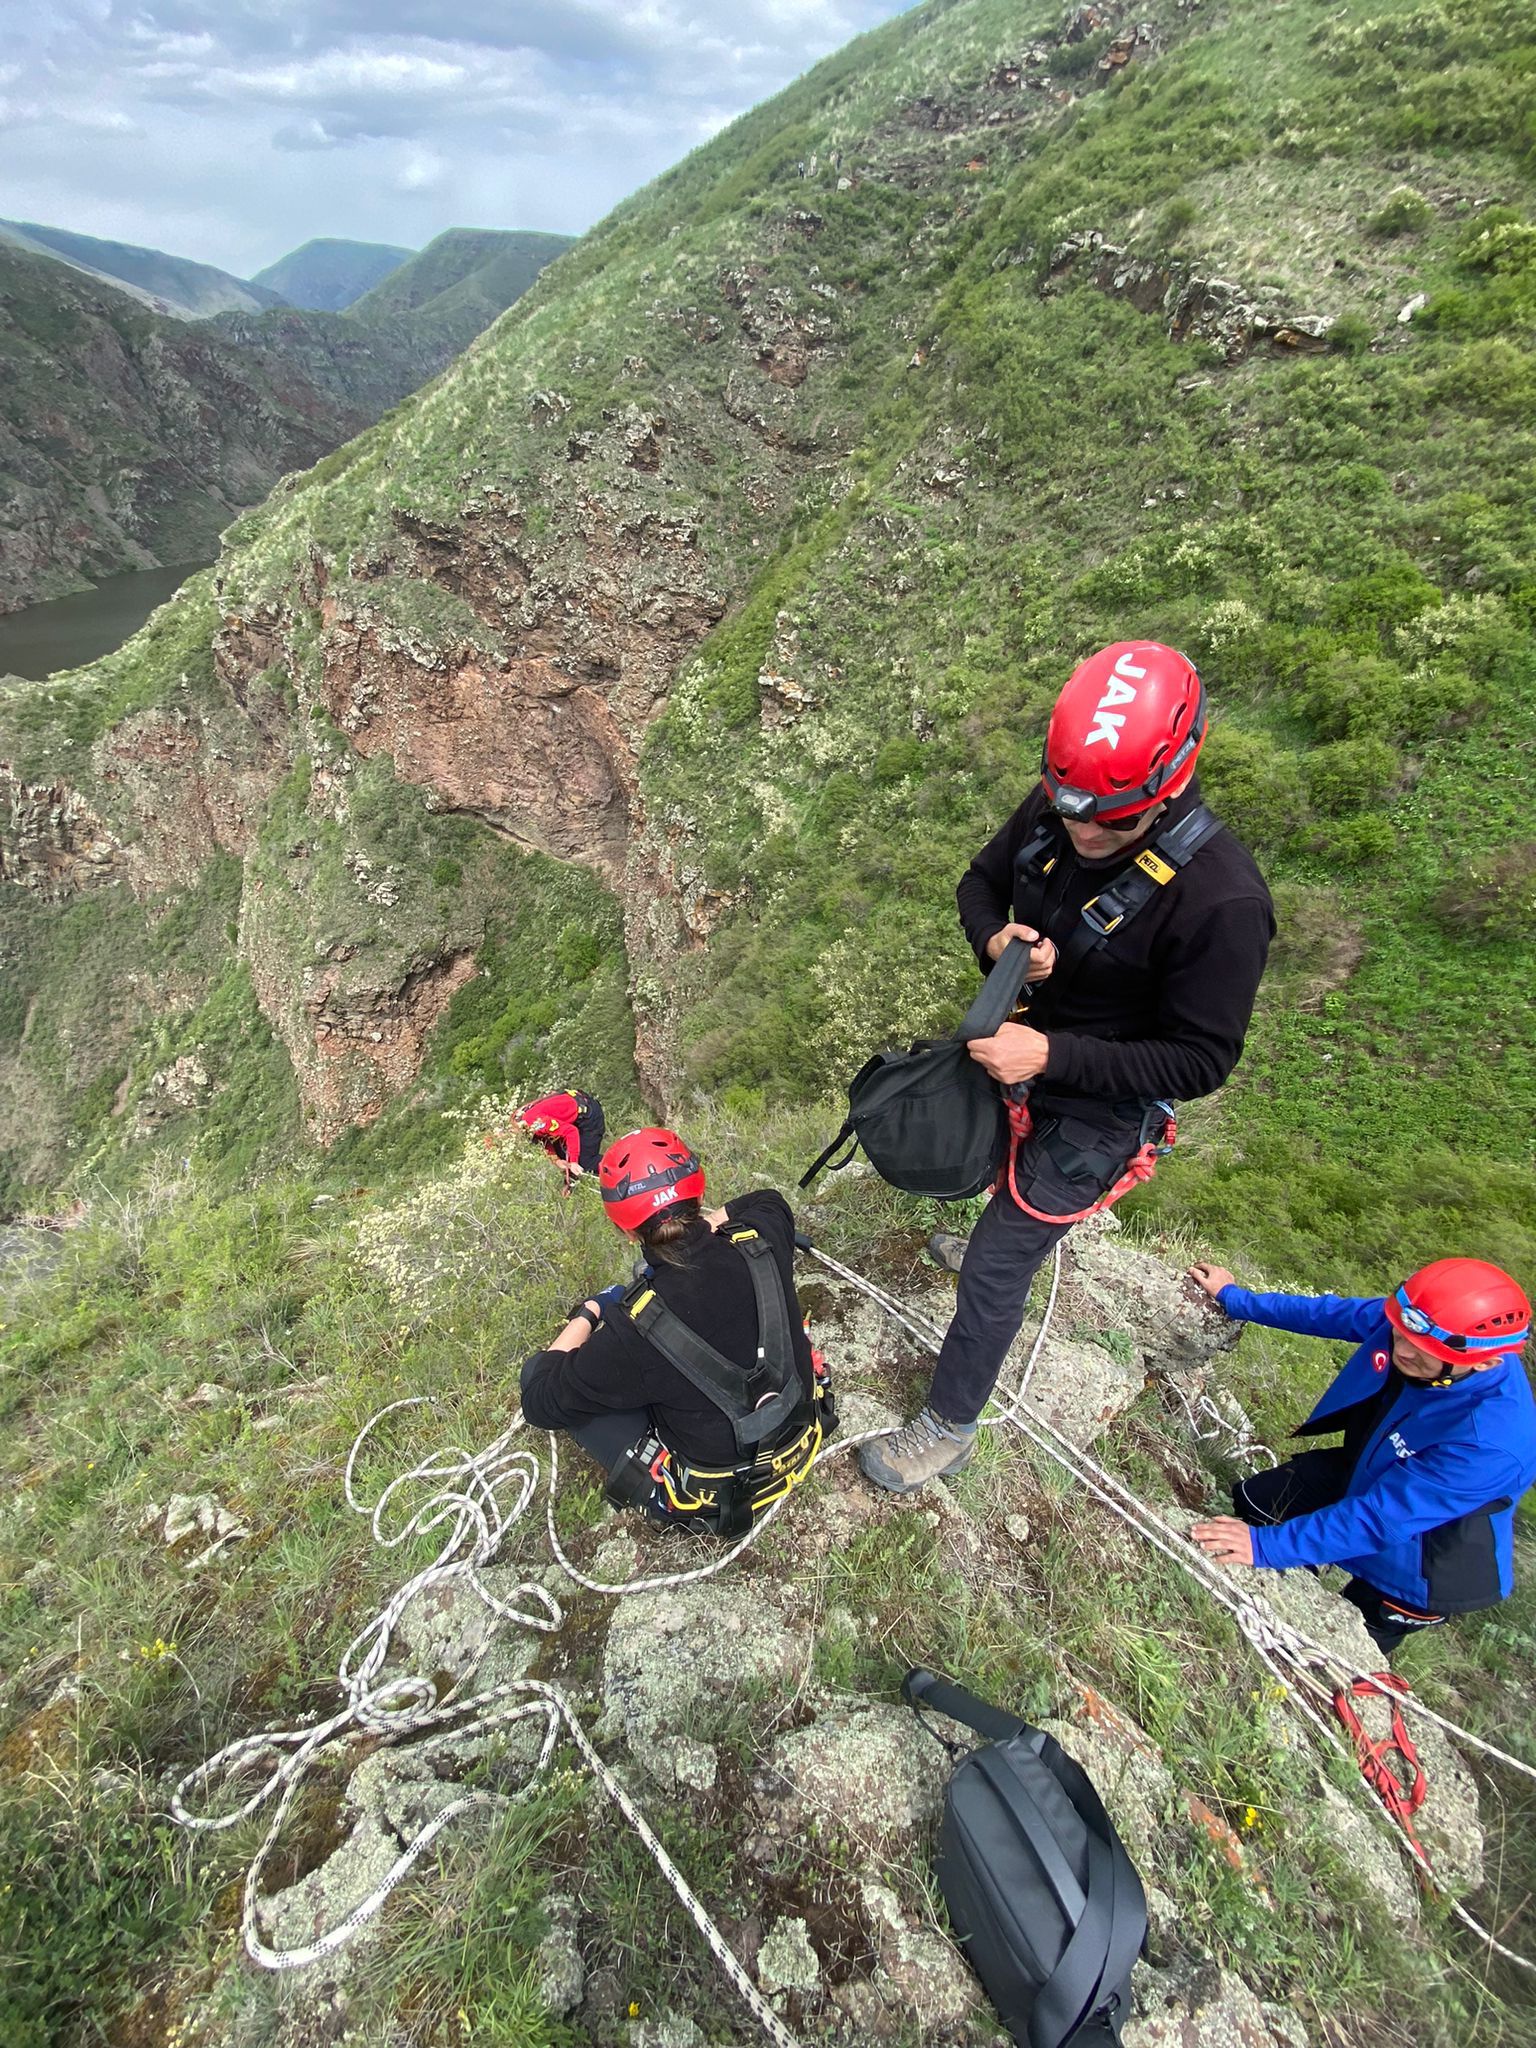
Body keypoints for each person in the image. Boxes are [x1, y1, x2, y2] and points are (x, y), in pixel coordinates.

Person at [861, 640, 1275, 1493]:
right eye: (1070, 810)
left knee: (996, 1265)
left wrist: (1052, 1052)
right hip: (1020, 1048)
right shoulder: (1067, 803)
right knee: (980, 1169)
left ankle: (948, 1427)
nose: (1084, 833)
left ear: (1168, 788)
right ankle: (982, 1240)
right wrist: (996, 938)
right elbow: (979, 881)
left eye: (1110, 823)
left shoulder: (1222, 902)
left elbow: (1201, 1059)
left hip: (1100, 1106)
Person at [1187, 1257, 1536, 1655]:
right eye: (1399, 1334)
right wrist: (1236, 1299)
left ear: (1486, 1361)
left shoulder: (1492, 1442)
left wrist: (1266, 1548)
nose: (1401, 1349)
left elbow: (1379, 1519)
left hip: (1426, 1559)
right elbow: (1330, 1314)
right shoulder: (1421, 1326)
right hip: (1374, 1472)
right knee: (1257, 1498)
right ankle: (1297, 1557)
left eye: (1420, 1349)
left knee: (1327, 1649)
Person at [520, 1128, 834, 1534]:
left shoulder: (633, 1330)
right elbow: (768, 1200)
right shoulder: (762, 1241)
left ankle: (669, 1500)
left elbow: (540, 1400)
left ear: (625, 1230)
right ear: (698, 1196)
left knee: (542, 1376)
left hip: (721, 1491)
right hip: (801, 1431)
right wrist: (714, 1225)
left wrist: (593, 1309)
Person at [513, 1088, 605, 1182]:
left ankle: (617, 1171)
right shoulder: (517, 1118)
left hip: (589, 1116)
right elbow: (543, 1139)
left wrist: (574, 1162)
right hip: (576, 1107)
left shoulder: (534, 1123)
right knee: (562, 1154)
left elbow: (571, 1131)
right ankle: (572, 1183)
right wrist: (556, 1160)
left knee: (585, 1162)